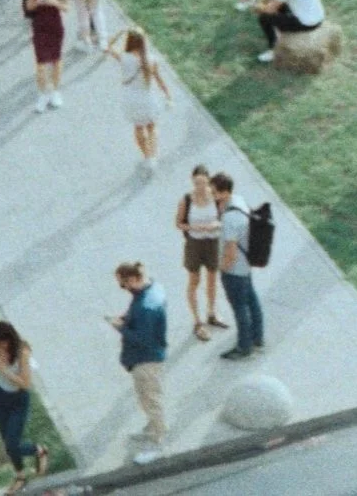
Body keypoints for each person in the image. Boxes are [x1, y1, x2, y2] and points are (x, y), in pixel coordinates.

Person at [109, 262, 167, 465]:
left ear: (133, 279)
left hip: (146, 359)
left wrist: (120, 327)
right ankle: (152, 429)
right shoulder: (152, 288)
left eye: (123, 285)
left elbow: (142, 338)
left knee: (152, 400)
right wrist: (127, 318)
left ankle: (158, 443)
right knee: (145, 397)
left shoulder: (145, 307)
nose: (124, 289)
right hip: (148, 356)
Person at [0, 321, 49, 493]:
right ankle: (20, 475)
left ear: (8, 340)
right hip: (0, 397)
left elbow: (25, 383)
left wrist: (4, 369)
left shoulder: (22, 352)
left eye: (0, 344)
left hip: (17, 400)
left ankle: (39, 450)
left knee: (13, 443)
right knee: (8, 444)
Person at [213, 171, 266, 360]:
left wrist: (223, 268)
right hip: (246, 264)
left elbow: (230, 250)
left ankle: (244, 346)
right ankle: (258, 338)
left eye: (214, 192)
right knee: (251, 300)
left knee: (240, 307)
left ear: (223, 193)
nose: (212, 196)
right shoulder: (239, 201)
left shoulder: (229, 219)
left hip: (234, 270)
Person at [112, 27, 172, 171]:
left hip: (130, 98)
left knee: (138, 127)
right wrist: (167, 93)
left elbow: (108, 46)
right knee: (151, 126)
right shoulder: (151, 60)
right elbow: (158, 79)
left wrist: (120, 32)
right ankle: (153, 155)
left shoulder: (124, 57)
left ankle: (147, 156)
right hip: (146, 98)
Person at [175, 165, 223, 340]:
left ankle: (211, 312)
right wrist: (195, 227)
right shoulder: (187, 200)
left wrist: (216, 225)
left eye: (203, 183)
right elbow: (178, 223)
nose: (200, 187)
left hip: (212, 242)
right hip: (194, 243)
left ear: (209, 182)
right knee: (194, 281)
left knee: (212, 280)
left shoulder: (216, 198)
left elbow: (223, 217)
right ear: (192, 181)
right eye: (197, 183)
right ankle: (197, 320)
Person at [25, 0, 69, 112]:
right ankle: (43, 93)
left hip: (55, 26)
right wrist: (39, 1)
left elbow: (67, 7)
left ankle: (55, 91)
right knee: (41, 62)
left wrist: (53, 1)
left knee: (56, 60)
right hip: (40, 25)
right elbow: (28, 6)